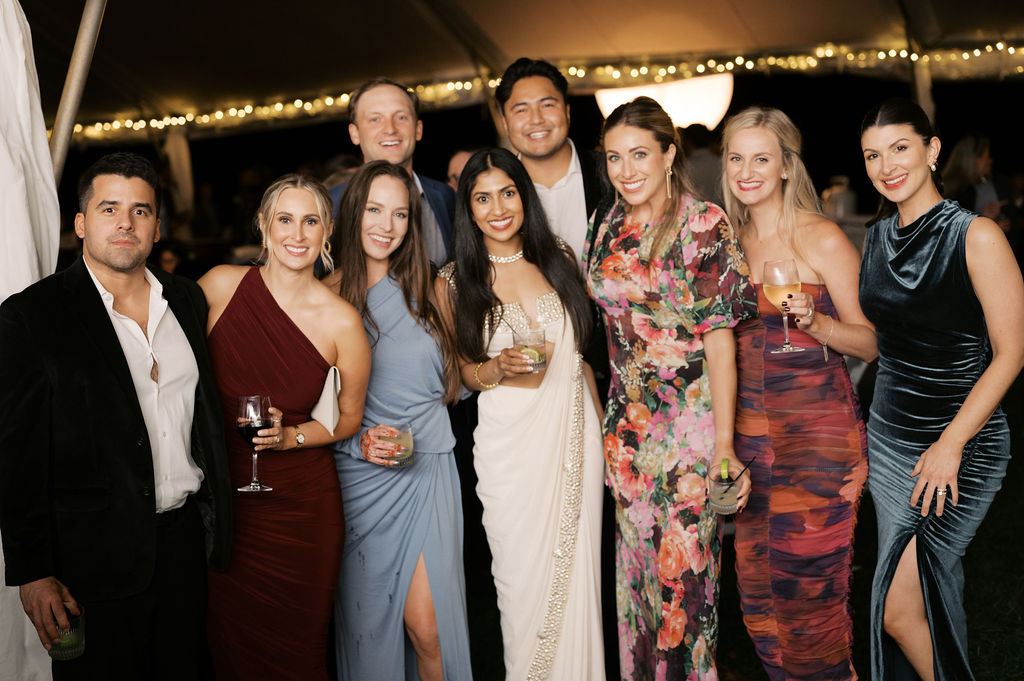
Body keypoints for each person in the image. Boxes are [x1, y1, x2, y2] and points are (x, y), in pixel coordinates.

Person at [0, 152, 232, 679]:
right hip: (92, 560)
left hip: (185, 550)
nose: (125, 223)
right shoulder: (31, 317)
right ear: (81, 223)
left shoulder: (189, 301)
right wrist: (33, 572)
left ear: (156, 227)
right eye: (109, 209)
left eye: (141, 210)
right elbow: (16, 455)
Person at [584, 96, 753, 680]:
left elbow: (722, 342)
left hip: (690, 438)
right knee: (636, 589)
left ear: (668, 154)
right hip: (626, 434)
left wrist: (725, 446)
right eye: (613, 158)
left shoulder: (702, 222)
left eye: (638, 154)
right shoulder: (604, 225)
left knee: (685, 587)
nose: (626, 170)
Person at [858, 98, 1024, 681]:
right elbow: (890, 342)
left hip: (960, 442)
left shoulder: (975, 236)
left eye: (900, 148)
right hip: (889, 439)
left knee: (898, 611)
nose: (886, 165)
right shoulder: (876, 238)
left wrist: (951, 444)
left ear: (931, 150)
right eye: (873, 155)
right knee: (927, 590)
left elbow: (1012, 354)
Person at [720, 106, 878, 681]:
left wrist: (817, 324)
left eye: (762, 158)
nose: (747, 170)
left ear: (787, 166)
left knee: (810, 609)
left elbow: (870, 342)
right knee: (759, 605)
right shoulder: (727, 246)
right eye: (737, 158)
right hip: (752, 450)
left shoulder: (822, 235)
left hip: (817, 444)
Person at [436, 148, 606, 680]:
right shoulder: (454, 282)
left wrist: (604, 434)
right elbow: (464, 376)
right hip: (508, 452)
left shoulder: (557, 255)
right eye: (482, 198)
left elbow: (581, 362)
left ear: (523, 195)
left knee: (582, 585)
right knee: (518, 587)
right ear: (467, 207)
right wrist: (497, 367)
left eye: (507, 192)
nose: (498, 208)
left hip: (575, 436)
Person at [200, 174, 370, 681]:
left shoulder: (342, 322)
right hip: (226, 504)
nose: (297, 234)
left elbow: (349, 417)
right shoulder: (219, 286)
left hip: (302, 511)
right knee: (228, 648)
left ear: (327, 233)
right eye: (285, 219)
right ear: (263, 226)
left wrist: (293, 436)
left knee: (298, 655)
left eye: (311, 221)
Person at [325, 161, 472, 680]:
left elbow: (459, 379)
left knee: (429, 630)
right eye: (374, 210)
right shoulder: (324, 296)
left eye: (400, 214)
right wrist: (356, 442)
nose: (386, 225)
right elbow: (312, 407)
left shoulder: (435, 290)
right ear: (351, 214)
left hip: (427, 470)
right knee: (370, 634)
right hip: (359, 477)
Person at [330, 77, 455, 266]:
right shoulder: (328, 205)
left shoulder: (446, 197)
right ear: (354, 133)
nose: (390, 129)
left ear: (418, 129)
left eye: (401, 117)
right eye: (375, 119)